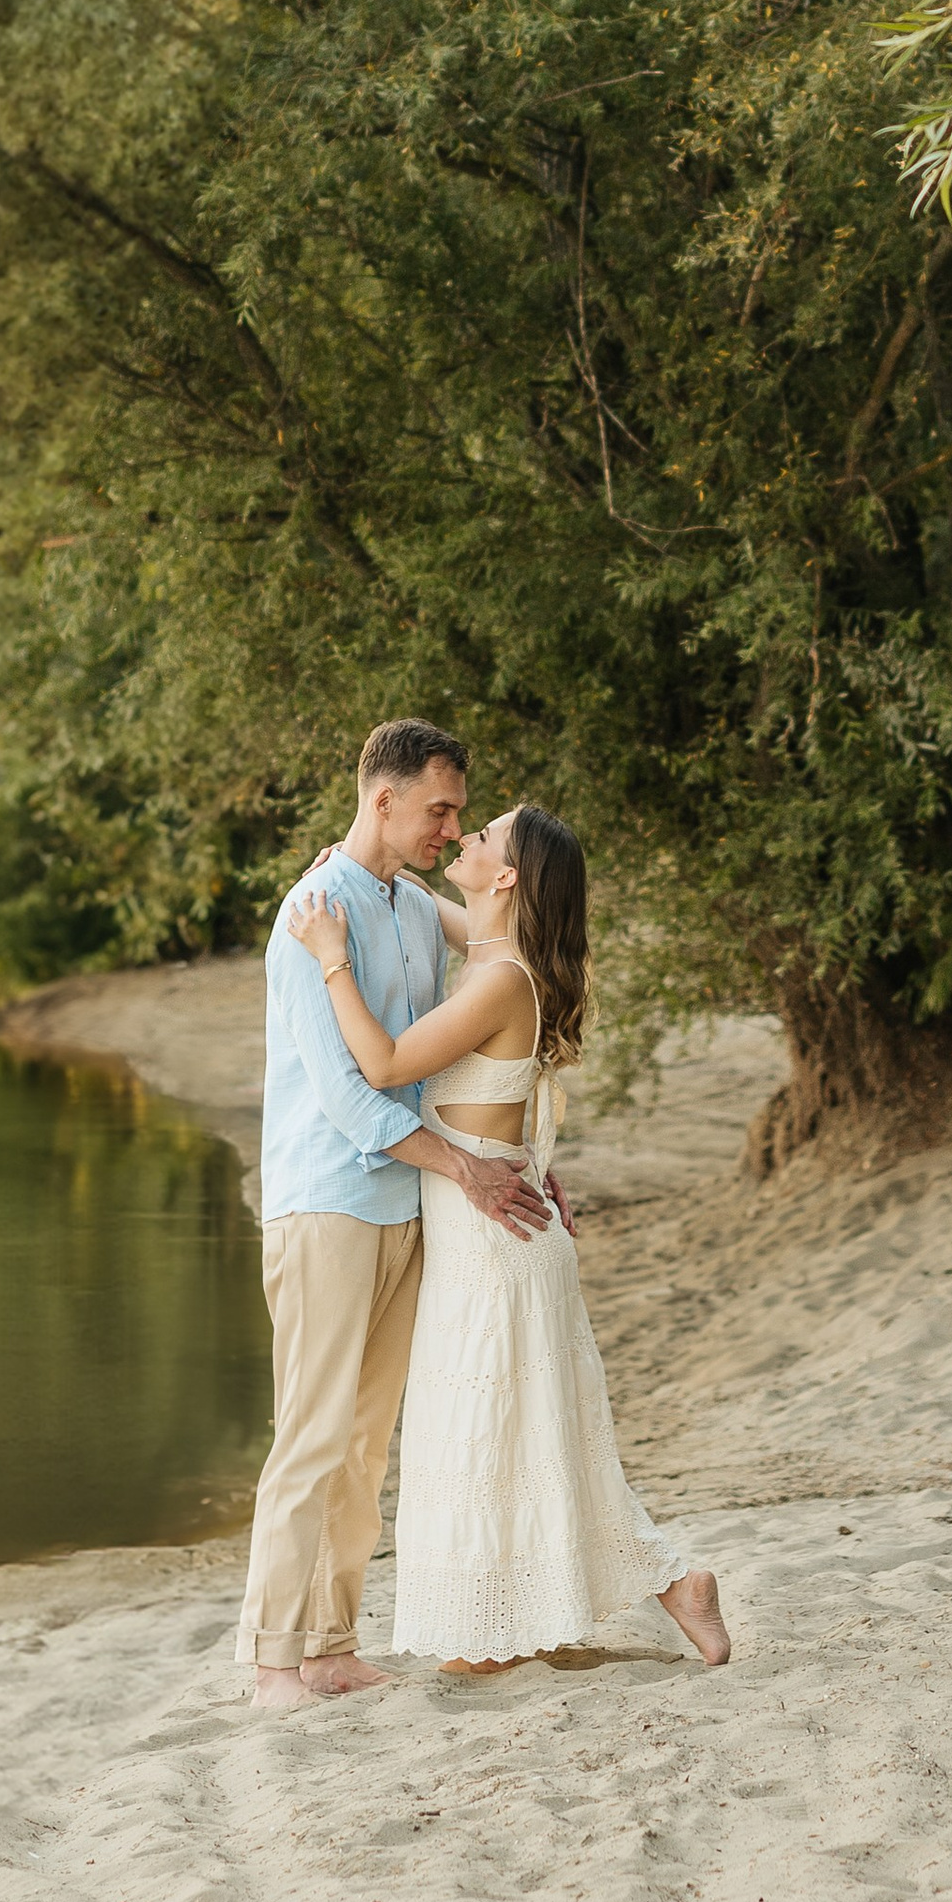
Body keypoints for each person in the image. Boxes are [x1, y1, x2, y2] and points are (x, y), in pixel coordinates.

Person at [286, 791, 729, 1678]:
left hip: (492, 1239)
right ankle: (663, 1587)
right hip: (493, 1226)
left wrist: (332, 960)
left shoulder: (498, 979)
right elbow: (421, 899)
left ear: (510, 872)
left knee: (488, 1432)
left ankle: (506, 1636)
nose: (462, 835)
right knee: (532, 1439)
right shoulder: (493, 950)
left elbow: (381, 1066)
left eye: (480, 834)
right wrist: (358, 857)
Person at [237, 717, 553, 1714]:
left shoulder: (412, 905)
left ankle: (330, 1643)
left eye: (460, 810)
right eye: (439, 808)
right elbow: (347, 1096)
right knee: (312, 1435)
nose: (450, 825)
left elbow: (507, 945)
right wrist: (464, 1165)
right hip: (324, 1202)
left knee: (364, 1439)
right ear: (384, 797)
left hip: (402, 1206)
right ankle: (273, 1657)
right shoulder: (313, 908)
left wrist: (504, 1155)